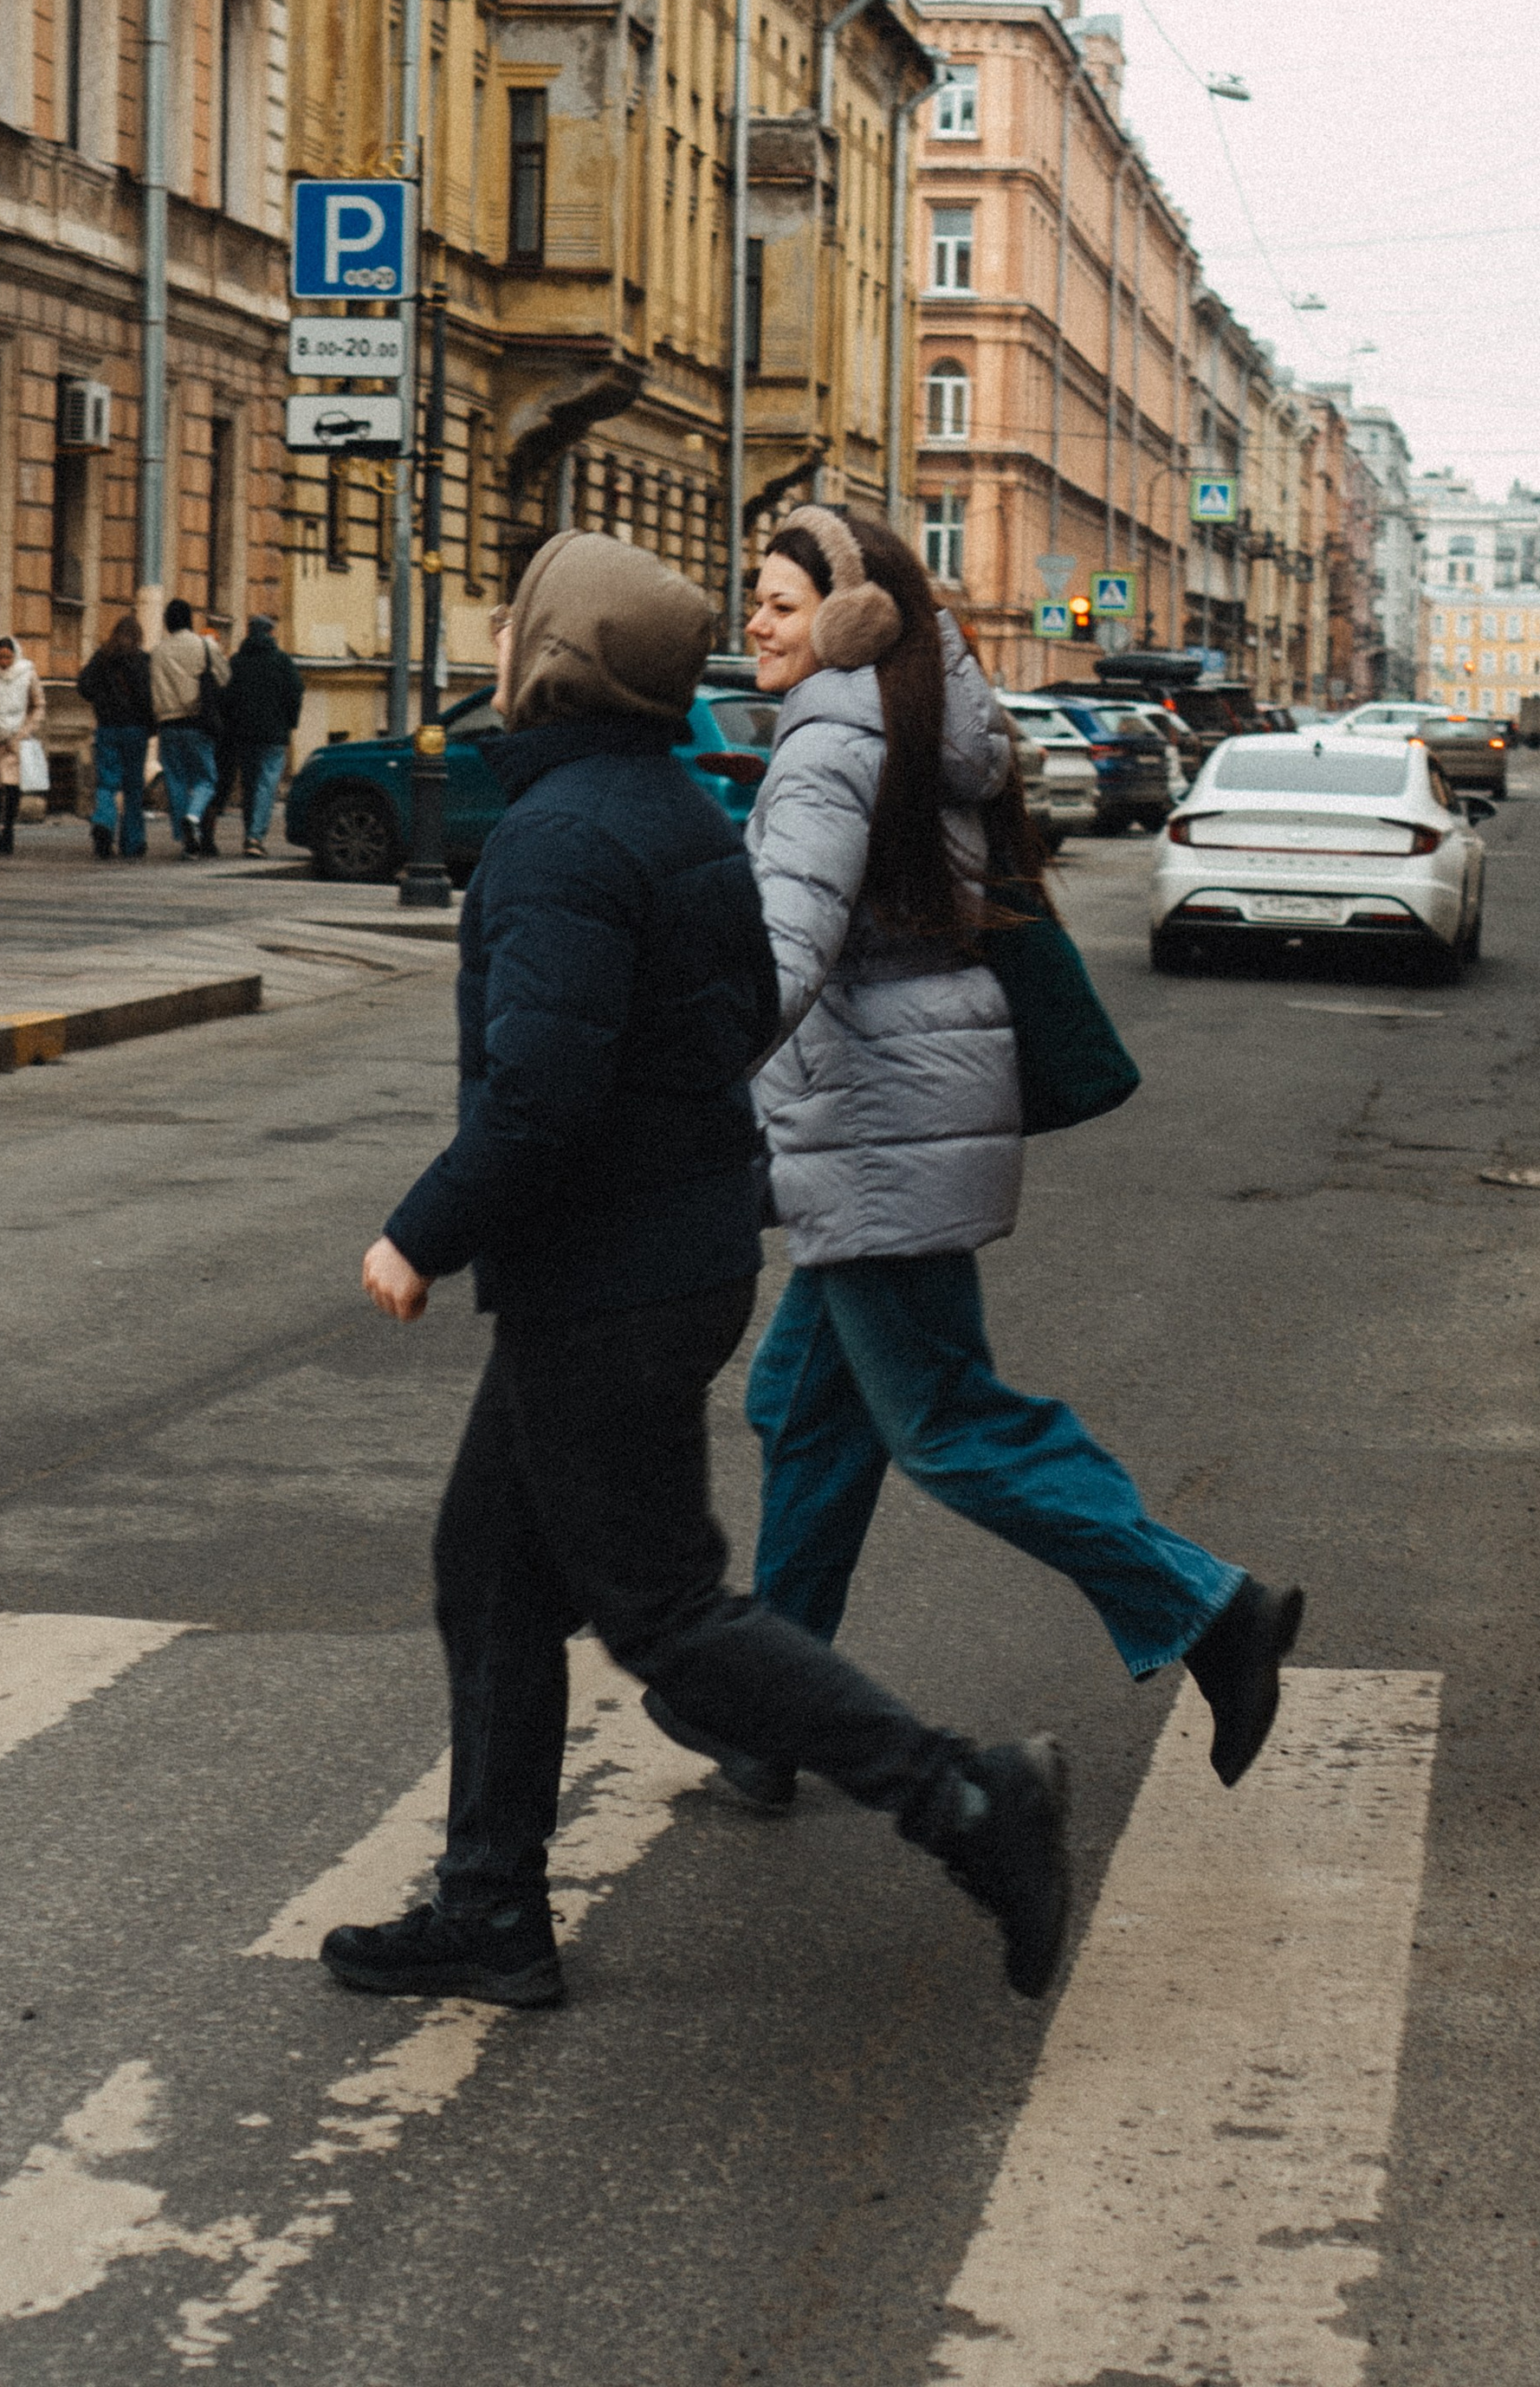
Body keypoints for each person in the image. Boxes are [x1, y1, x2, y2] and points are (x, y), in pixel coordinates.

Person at [332, 531, 1071, 2014]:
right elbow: (732, 1015)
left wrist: (421, 1230)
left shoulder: (558, 840)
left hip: (607, 1282)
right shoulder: (672, 809)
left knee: (667, 1613)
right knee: (490, 1578)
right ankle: (490, 1905)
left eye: (518, 617)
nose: (497, 636)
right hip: (657, 1258)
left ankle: (967, 1800)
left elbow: (538, 1096)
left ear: (562, 654)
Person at [659, 504, 1299, 1820]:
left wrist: (679, 1082)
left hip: (882, 1133)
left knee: (948, 1423)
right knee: (810, 1414)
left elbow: (788, 944)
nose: (757, 624)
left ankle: (1210, 1608)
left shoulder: (833, 736)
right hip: (893, 1120)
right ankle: (773, 1717)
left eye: (780, 603)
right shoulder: (900, 717)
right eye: (756, 601)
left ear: (853, 619)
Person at [148, 598, 229, 857]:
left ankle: (187, 841)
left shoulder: (158, 651)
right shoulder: (204, 646)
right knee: (207, 779)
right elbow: (225, 677)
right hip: (197, 721)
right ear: (190, 619)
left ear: (167, 623)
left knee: (175, 780)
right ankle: (194, 817)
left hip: (168, 725)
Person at [222, 615, 304, 857]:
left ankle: (250, 832)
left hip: (244, 734)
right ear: (270, 633)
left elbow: (227, 697)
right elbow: (296, 691)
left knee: (250, 785)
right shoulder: (281, 661)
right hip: (274, 735)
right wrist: (290, 722)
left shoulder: (236, 661)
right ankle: (255, 837)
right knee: (267, 785)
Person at [77, 616, 155, 859]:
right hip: (135, 730)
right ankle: (132, 843)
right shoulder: (142, 661)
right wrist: (151, 724)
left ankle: (103, 821)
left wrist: (102, 701)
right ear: (138, 636)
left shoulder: (102, 658)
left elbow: (84, 686)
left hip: (107, 728)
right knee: (133, 787)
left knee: (107, 782)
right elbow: (148, 698)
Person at [0, 634, 44, 857]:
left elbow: (38, 705)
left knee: (12, 787)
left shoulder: (27, 674)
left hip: (16, 740)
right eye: (0, 657)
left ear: (15, 656)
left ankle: (9, 832)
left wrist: (25, 731)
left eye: (8, 657)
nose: (4, 662)